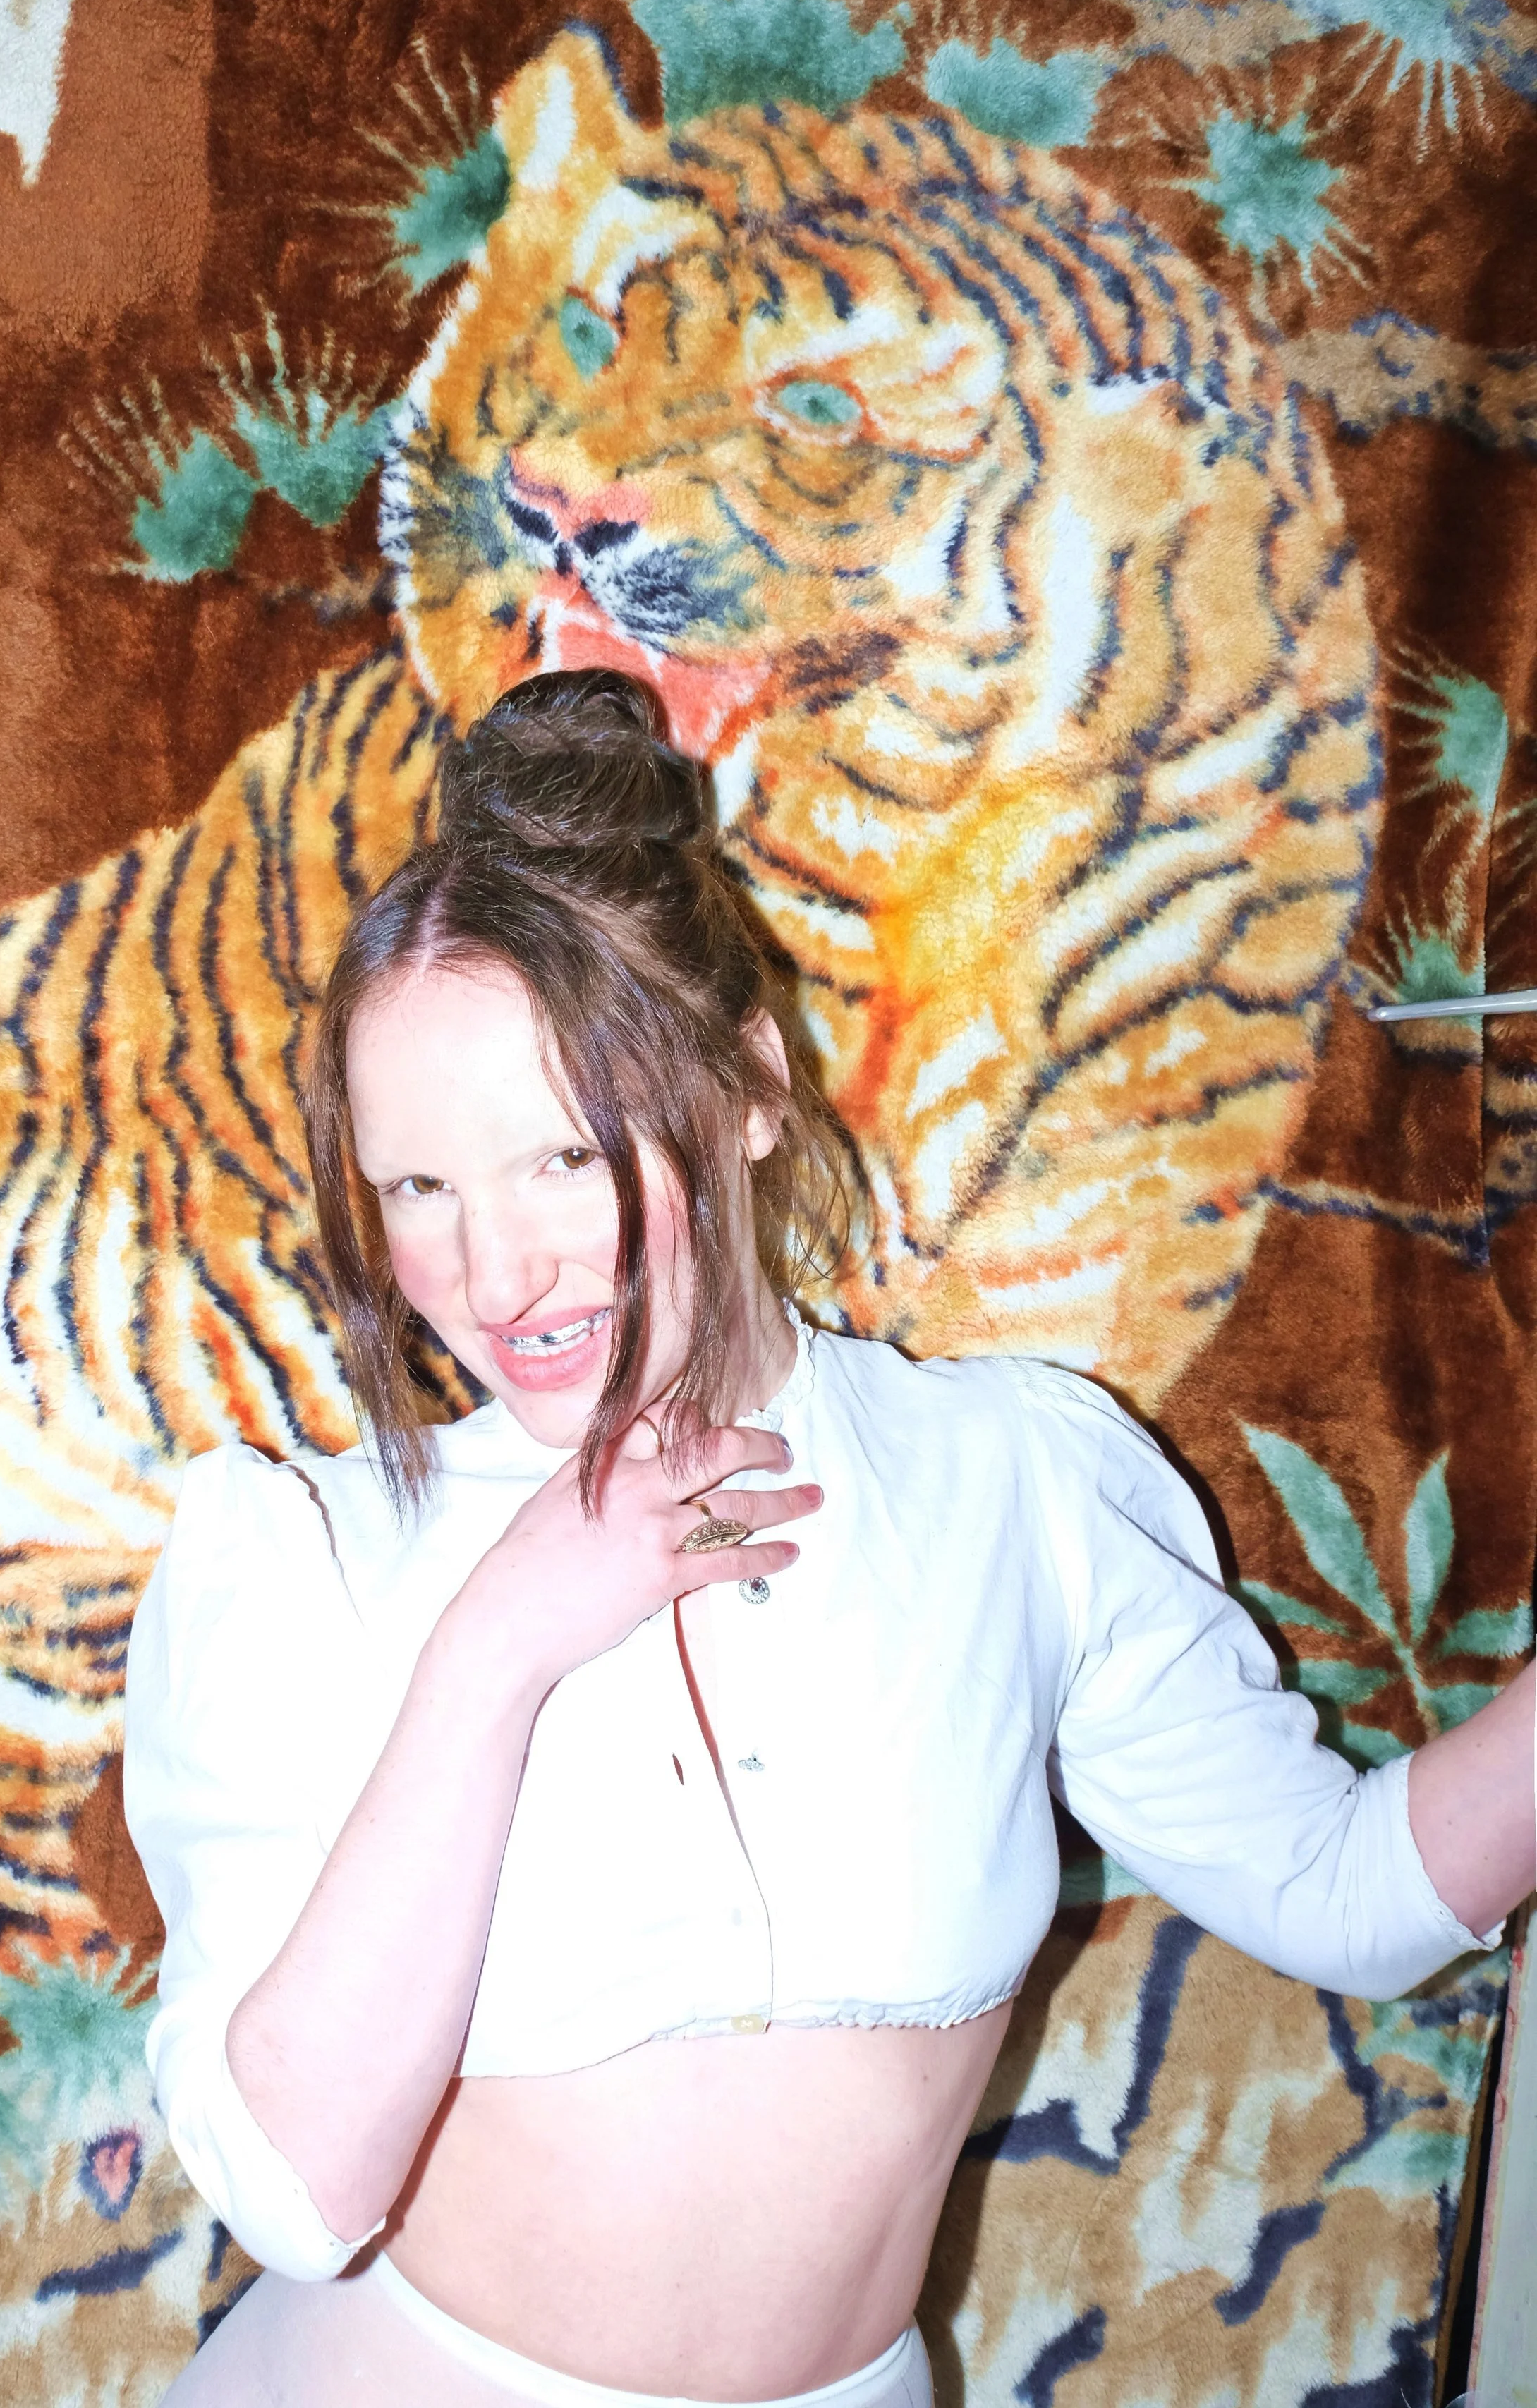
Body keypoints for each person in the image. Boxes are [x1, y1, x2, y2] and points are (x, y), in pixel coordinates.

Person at [123, 669, 1537, 2408]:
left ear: (748, 1091)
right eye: (419, 1189)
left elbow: (1348, 1893)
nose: (493, 1279)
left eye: (563, 1155)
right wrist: (495, 1645)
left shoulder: (1014, 1487)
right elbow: (290, 2191)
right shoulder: (302, 1559)